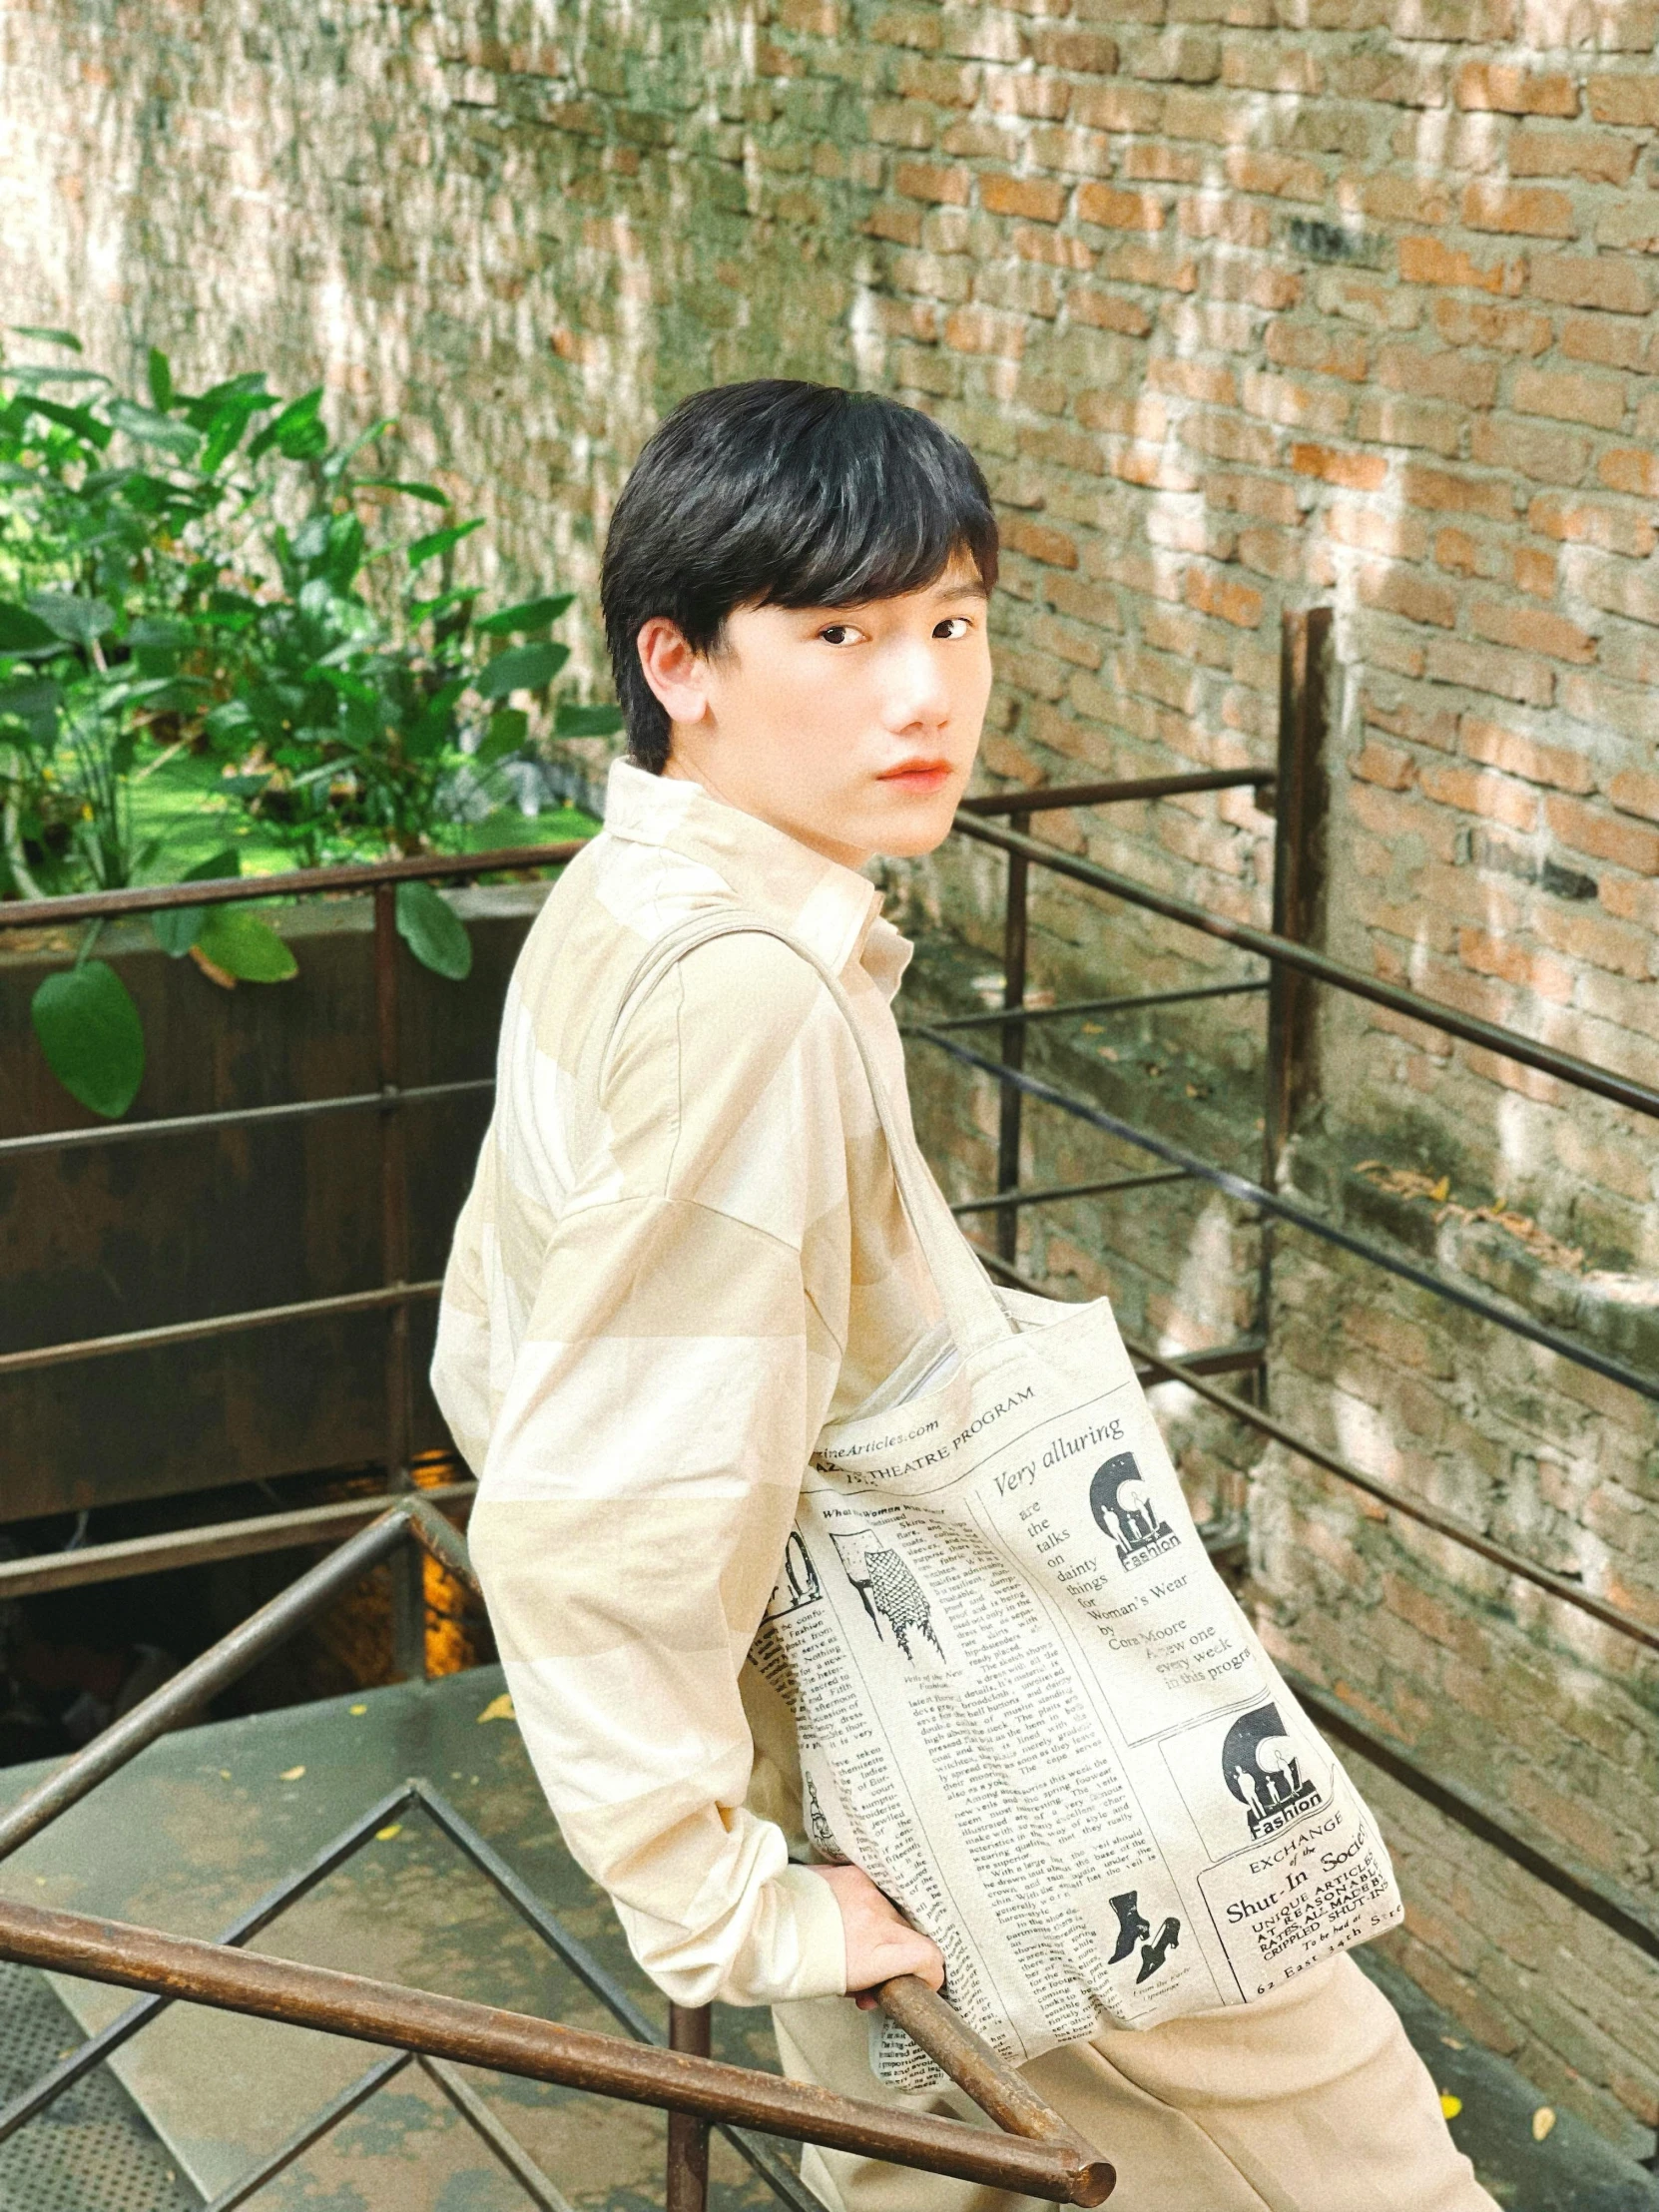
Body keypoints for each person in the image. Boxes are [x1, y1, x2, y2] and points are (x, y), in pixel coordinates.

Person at [431, 381, 1497, 2212]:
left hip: (865, 1770)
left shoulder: (632, 898)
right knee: (1364, 2160)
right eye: (838, 636)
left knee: (955, 2171)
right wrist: (720, 1904)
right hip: (1003, 1771)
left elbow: (493, 1335)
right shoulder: (747, 991)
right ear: (677, 661)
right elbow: (598, 1501)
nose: (920, 693)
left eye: (951, 625)